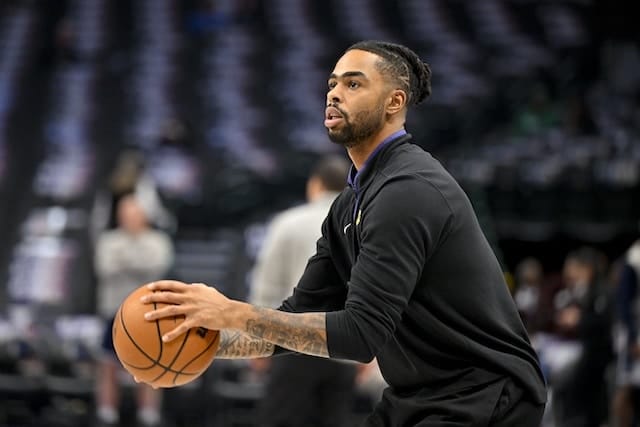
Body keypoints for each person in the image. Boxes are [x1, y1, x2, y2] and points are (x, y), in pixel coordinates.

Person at [139, 40, 547, 426]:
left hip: (484, 393)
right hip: (421, 394)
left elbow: (359, 335)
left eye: (353, 84)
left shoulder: (408, 190)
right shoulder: (349, 204)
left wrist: (233, 312)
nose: (334, 93)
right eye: (332, 84)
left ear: (395, 102)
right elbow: (291, 320)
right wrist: (195, 347)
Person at [248, 155, 359, 427]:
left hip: (293, 342)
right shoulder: (361, 225)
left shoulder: (288, 222)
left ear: (315, 184)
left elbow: (267, 285)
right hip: (343, 345)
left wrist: (257, 341)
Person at [94, 195, 174, 427]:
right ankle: (106, 412)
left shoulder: (158, 241)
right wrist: (139, 264)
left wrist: (125, 262)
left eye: (134, 214)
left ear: (144, 216)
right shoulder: (108, 240)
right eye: (125, 214)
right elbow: (105, 268)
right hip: (113, 310)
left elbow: (157, 266)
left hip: (148, 313)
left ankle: (149, 413)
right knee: (108, 363)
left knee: (151, 363)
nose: (129, 219)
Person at [551, 247, 613, 427]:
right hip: (586, 353)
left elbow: (604, 321)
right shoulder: (584, 290)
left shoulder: (602, 290)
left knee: (587, 402)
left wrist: (579, 319)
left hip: (599, 357)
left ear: (588, 269)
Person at [613, 239, 640, 427]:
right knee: (626, 388)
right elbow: (623, 304)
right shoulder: (634, 258)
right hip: (634, 335)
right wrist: (633, 338)